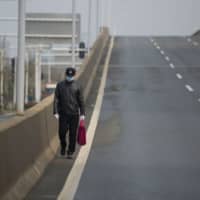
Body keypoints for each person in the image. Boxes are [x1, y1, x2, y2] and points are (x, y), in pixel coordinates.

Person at [53, 67, 85, 159]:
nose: (69, 77)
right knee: (62, 133)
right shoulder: (60, 85)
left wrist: (82, 114)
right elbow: (56, 99)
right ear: (65, 75)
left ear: (74, 75)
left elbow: (81, 101)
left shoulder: (78, 86)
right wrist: (55, 111)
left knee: (73, 134)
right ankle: (63, 145)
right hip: (63, 114)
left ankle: (70, 151)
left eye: (71, 76)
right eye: (68, 75)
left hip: (74, 114)